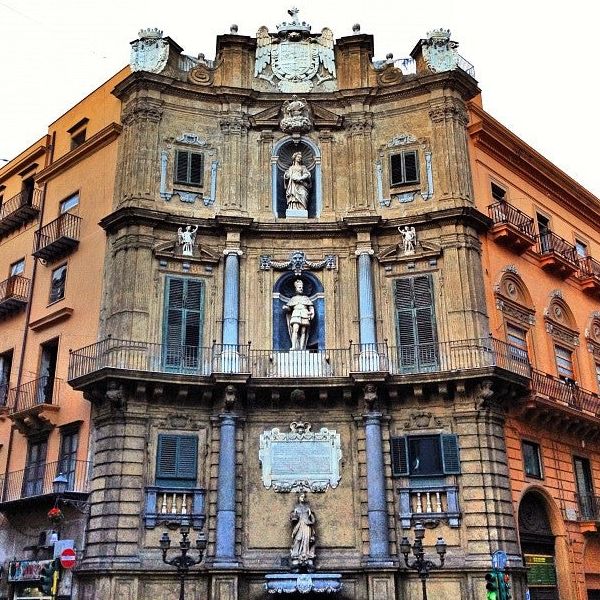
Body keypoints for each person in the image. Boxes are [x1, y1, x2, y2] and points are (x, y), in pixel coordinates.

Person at [283, 279, 315, 350]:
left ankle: (302, 348)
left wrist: (312, 314)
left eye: (302, 287)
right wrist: (286, 307)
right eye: (299, 287)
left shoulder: (306, 298)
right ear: (296, 288)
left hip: (304, 313)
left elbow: (311, 307)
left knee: (303, 331)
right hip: (296, 313)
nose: (301, 289)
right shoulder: (293, 299)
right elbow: (289, 308)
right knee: (295, 329)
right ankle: (294, 346)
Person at [290, 492, 316, 568]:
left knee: (306, 540)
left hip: (307, 525)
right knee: (298, 539)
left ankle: (306, 554)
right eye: (301, 497)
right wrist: (293, 517)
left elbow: (312, 518)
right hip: (299, 525)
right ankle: (296, 554)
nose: (303, 498)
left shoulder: (307, 508)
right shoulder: (296, 508)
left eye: (304, 497)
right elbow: (293, 518)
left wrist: (311, 515)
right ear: (298, 497)